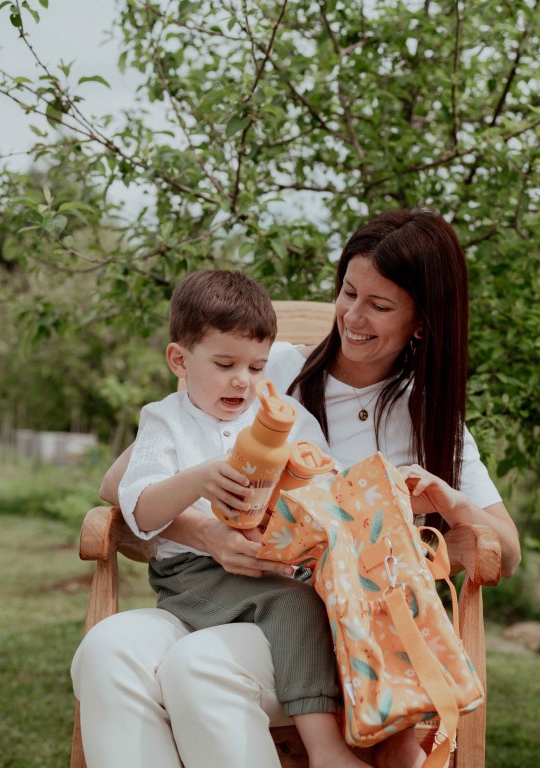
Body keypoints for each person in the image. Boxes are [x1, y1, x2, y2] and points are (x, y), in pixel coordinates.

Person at [71, 208, 521, 768]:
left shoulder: (429, 421)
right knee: (107, 651)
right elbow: (119, 482)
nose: (353, 316)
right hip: (200, 589)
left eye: (379, 306)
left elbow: (505, 549)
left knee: (198, 666)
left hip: (317, 628)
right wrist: (204, 532)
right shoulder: (268, 368)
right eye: (348, 292)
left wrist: (447, 502)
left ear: (422, 322)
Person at [116, 269, 368, 768]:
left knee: (308, 598)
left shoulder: (287, 418)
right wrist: (197, 481)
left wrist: (306, 488)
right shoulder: (166, 421)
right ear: (179, 360)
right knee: (293, 605)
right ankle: (326, 750)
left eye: (256, 368)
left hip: (271, 566)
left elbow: (328, 486)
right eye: (225, 363)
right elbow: (138, 507)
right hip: (193, 577)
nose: (242, 381)